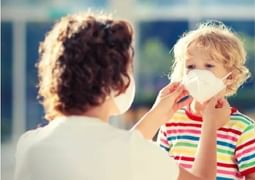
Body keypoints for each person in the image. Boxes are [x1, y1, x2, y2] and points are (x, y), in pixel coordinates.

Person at [14, 11, 225, 180]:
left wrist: (156, 116)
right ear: (118, 81)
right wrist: (210, 123)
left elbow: (107, 152)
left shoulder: (29, 146)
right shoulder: (136, 154)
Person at [157, 22, 255, 180]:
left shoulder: (241, 126)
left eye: (209, 65)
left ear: (230, 76)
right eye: (191, 66)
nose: (198, 73)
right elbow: (159, 170)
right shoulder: (171, 120)